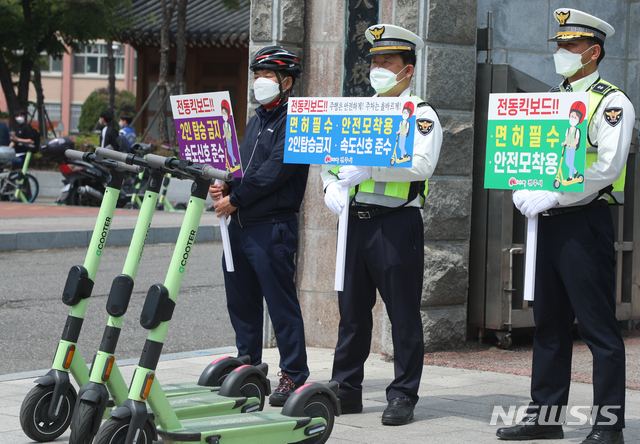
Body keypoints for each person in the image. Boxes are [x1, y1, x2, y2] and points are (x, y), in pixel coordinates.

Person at [497, 9, 635, 444]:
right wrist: (518, 186)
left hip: (582, 222)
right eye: (558, 45)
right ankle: (545, 418)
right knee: (549, 325)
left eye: (570, 46)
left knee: (597, 328)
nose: (560, 52)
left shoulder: (612, 101)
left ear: (593, 53)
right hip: (546, 223)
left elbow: (608, 167)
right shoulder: (547, 99)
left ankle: (609, 425)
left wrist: (556, 194)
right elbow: (528, 154)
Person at [321, 24, 442, 426]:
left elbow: (422, 165)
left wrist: (369, 168)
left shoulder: (421, 114)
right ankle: (346, 389)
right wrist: (328, 187)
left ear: (407, 70)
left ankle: (404, 394)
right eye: (374, 61)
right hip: (353, 222)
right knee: (352, 312)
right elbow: (328, 157)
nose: (377, 68)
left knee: (402, 314)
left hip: (395, 224)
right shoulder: (355, 110)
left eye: (387, 62)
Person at [209, 46, 309, 407]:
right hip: (240, 225)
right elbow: (243, 166)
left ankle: (294, 374)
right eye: (256, 75)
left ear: (286, 82)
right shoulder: (257, 118)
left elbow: (275, 172)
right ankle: (248, 365)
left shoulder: (297, 121)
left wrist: (236, 198)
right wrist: (225, 184)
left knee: (280, 304)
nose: (259, 82)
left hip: (272, 228)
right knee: (241, 300)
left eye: (267, 75)